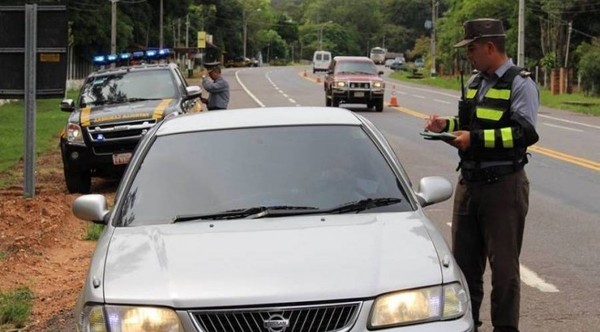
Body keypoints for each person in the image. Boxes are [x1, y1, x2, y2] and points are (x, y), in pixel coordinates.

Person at [424, 18, 539, 332]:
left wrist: (474, 141)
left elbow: (524, 133)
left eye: (472, 49)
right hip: (470, 184)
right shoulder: (477, 81)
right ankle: (467, 326)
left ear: (490, 47)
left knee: (504, 273)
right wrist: (444, 126)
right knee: (463, 270)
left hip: (503, 186)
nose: (469, 55)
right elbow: (471, 125)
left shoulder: (520, 82)